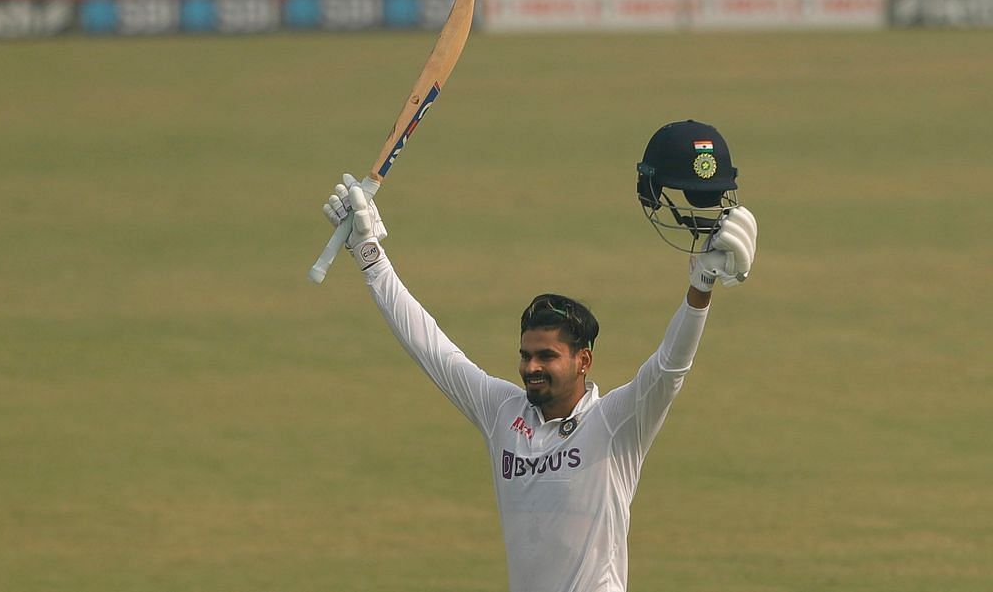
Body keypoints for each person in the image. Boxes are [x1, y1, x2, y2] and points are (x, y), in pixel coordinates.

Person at [321, 119, 758, 592]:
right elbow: (428, 344)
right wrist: (368, 253)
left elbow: (669, 368)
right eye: (526, 355)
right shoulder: (501, 413)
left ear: (583, 360)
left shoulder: (614, 425)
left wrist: (701, 289)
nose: (531, 367)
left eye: (547, 356)